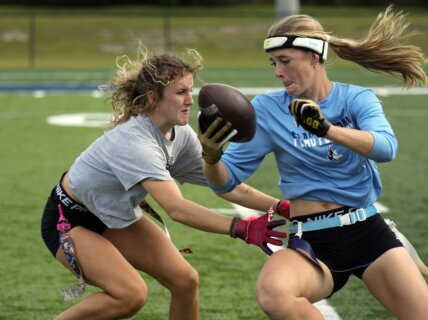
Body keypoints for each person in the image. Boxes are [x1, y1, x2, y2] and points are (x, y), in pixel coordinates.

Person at [199, 6, 428, 320]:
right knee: (274, 294)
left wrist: (327, 129)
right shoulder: (268, 109)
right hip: (313, 238)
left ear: (314, 57)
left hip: (368, 231)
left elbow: (386, 148)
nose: (277, 71)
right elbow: (224, 181)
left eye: (285, 61)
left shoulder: (356, 98)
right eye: (274, 63)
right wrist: (211, 155)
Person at [40, 46, 286, 320]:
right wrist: (240, 227)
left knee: (185, 281)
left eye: (190, 91)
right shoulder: (135, 142)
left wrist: (280, 206)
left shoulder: (180, 133)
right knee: (130, 294)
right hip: (71, 221)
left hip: (113, 217)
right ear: (153, 97)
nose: (190, 101)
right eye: (180, 92)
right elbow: (176, 209)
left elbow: (226, 184)